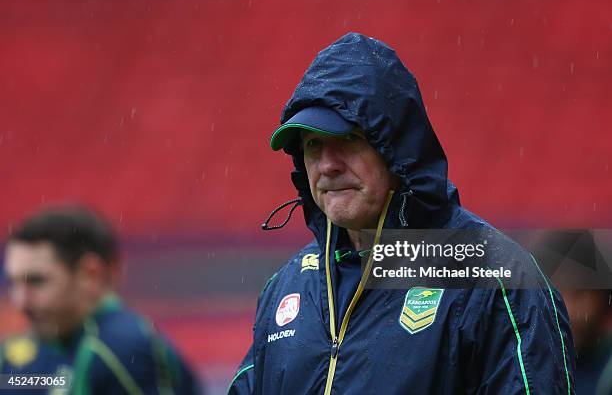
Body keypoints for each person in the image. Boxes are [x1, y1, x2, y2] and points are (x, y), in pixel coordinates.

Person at [228, 33, 576, 394]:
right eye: (313, 145)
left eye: (349, 139)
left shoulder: (498, 280)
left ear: (396, 148)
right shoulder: (285, 288)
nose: (327, 165)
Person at [0, 206, 202, 394]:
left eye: (37, 281)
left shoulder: (117, 352)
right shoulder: (19, 356)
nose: (20, 301)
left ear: (90, 275)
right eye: (13, 282)